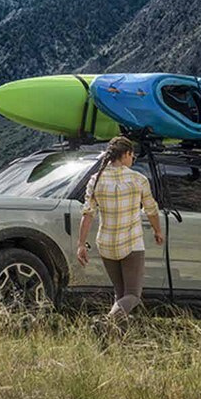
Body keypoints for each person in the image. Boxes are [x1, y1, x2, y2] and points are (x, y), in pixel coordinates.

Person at [76, 136, 164, 321]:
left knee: (120, 294)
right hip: (131, 243)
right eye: (132, 156)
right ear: (126, 154)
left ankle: (114, 340)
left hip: (106, 245)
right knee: (132, 295)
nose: (133, 160)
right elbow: (151, 209)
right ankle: (107, 322)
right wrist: (157, 231)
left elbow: (88, 214)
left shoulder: (95, 179)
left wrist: (81, 244)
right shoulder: (138, 179)